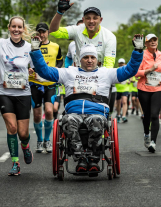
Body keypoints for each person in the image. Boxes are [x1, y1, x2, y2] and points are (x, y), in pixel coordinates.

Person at [29, 35, 144, 173]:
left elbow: (129, 70)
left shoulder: (106, 73)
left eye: (92, 57)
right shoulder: (69, 72)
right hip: (74, 113)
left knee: (96, 120)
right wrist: (36, 51)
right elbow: (45, 71)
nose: (89, 60)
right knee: (67, 120)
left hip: (97, 112)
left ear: (97, 59)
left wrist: (138, 50)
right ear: (79, 59)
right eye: (86, 57)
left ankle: (94, 158)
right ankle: (80, 158)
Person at [0, 16, 34, 176]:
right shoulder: (0, 44)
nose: (16, 29)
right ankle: (15, 163)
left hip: (23, 93)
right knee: (12, 128)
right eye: (13, 26)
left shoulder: (30, 47)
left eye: (19, 27)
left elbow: (37, 67)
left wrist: (32, 71)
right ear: (9, 28)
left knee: (23, 133)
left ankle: (25, 145)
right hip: (4, 92)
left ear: (23, 30)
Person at [49, 0, 116, 69]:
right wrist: (60, 12)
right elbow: (53, 31)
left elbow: (108, 66)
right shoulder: (77, 30)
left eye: (95, 18)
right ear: (83, 20)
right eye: (88, 18)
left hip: (99, 75)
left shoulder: (109, 37)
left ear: (100, 20)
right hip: (79, 75)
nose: (91, 21)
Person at [29, 23, 63, 153]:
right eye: (39, 32)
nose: (41, 35)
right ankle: (39, 139)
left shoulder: (55, 46)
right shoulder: (31, 47)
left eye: (44, 32)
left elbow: (60, 60)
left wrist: (56, 69)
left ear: (48, 32)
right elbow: (26, 62)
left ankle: (47, 140)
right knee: (37, 115)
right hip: (35, 83)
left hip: (50, 84)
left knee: (49, 111)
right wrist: (29, 69)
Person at [136, 34, 161, 152]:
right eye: (150, 41)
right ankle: (146, 134)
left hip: (158, 88)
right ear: (146, 44)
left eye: (155, 40)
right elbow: (136, 72)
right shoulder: (141, 55)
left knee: (155, 115)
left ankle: (153, 142)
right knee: (147, 115)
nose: (153, 42)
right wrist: (149, 70)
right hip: (144, 88)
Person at [115, 58, 130, 123]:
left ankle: (123, 116)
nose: (121, 64)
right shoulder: (116, 70)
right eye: (120, 63)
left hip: (125, 88)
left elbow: (130, 77)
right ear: (118, 64)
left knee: (124, 102)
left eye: (122, 63)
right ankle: (118, 115)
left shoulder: (127, 70)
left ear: (124, 63)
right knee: (118, 103)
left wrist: (129, 81)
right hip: (118, 89)